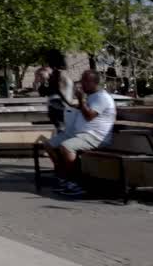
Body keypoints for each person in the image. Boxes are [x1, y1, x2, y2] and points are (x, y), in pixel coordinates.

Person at [43, 70, 116, 198]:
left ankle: (75, 183)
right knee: (49, 144)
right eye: (82, 80)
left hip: (95, 136)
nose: (82, 84)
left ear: (95, 82)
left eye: (85, 81)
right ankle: (63, 176)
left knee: (66, 147)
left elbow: (89, 116)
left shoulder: (102, 97)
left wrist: (81, 100)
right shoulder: (92, 96)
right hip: (80, 133)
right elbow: (81, 110)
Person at [43, 50, 77, 133]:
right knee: (63, 132)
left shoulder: (55, 74)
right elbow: (60, 90)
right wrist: (70, 104)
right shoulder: (59, 73)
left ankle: (55, 144)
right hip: (60, 106)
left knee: (62, 132)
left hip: (55, 106)